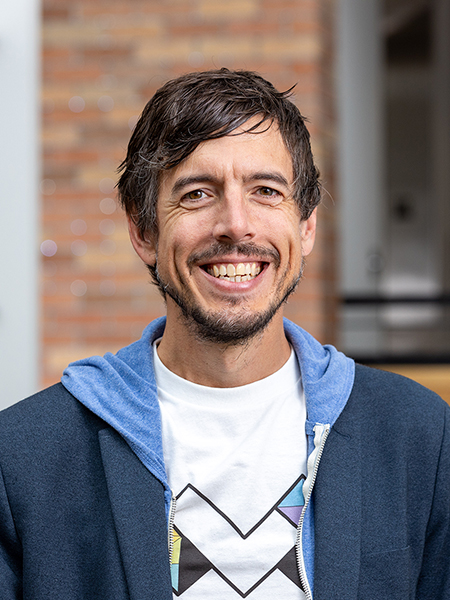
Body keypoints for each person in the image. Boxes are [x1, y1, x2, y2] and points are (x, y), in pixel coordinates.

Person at [0, 69, 449, 600]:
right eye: (196, 193)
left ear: (306, 227)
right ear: (144, 231)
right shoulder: (23, 457)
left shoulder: (420, 436)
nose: (236, 224)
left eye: (265, 191)